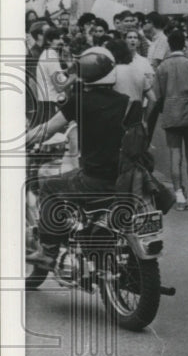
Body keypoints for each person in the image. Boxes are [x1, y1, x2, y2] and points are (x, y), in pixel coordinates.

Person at [25, 48, 131, 268]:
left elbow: (47, 129)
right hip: (127, 178)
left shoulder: (80, 101)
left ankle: (48, 250)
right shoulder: (127, 102)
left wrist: (21, 140)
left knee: (50, 186)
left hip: (95, 178)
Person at [156, 29, 188, 210]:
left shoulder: (162, 67)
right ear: (183, 44)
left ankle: (178, 195)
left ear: (169, 45)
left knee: (175, 154)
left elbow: (157, 94)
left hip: (170, 113)